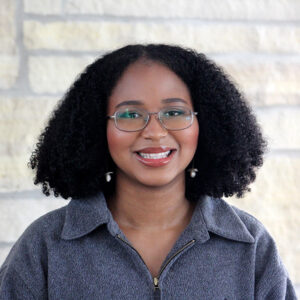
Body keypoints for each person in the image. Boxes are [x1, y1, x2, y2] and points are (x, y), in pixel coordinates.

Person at [0, 44, 297, 299]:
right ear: (95, 128)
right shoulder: (45, 246)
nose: (155, 132)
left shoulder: (250, 245)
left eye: (174, 112)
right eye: (130, 114)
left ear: (204, 124)